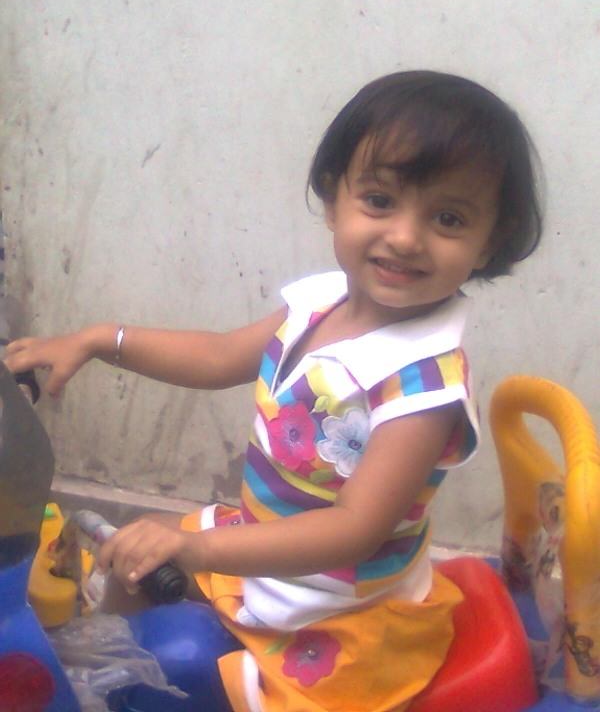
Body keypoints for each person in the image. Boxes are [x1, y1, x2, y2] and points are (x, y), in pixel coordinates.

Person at [5, 71, 543, 712]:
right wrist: (100, 339)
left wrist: (198, 548)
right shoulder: (321, 303)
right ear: (333, 200)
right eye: (379, 201)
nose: (404, 237)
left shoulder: (422, 386)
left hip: (332, 609)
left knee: (235, 684)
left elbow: (353, 530)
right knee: (132, 556)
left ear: (489, 243)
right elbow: (217, 355)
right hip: (265, 546)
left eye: (448, 218)